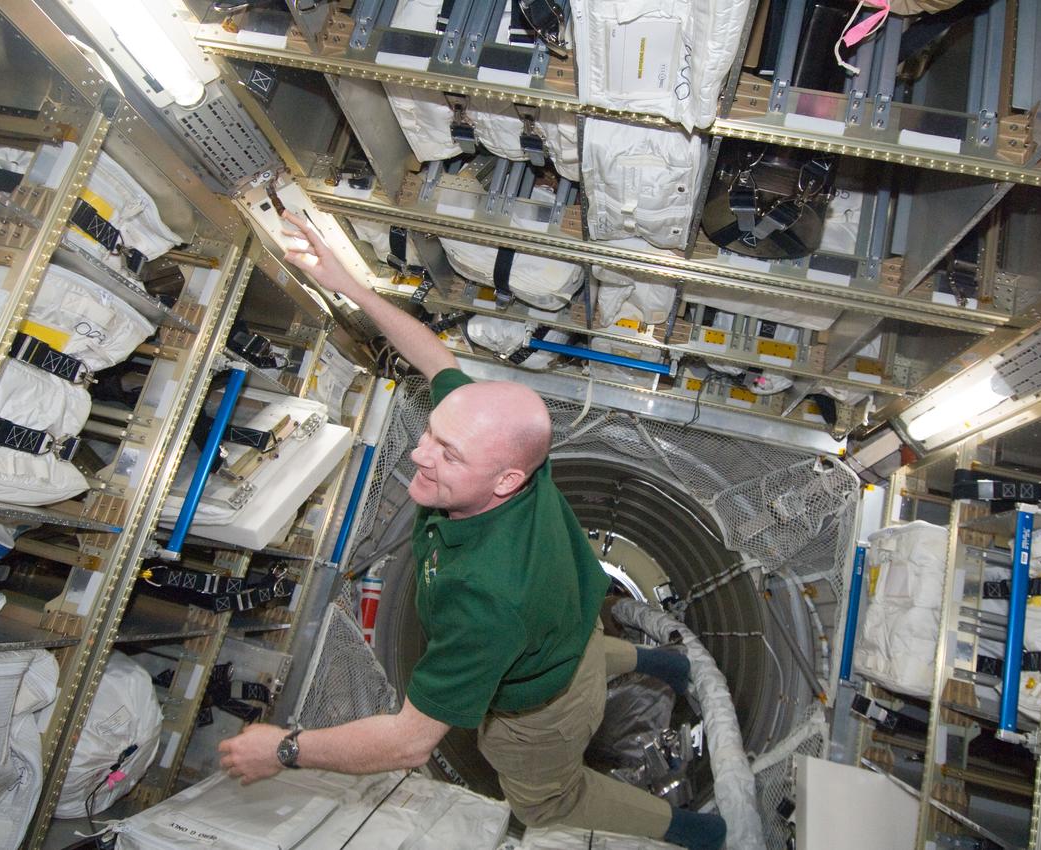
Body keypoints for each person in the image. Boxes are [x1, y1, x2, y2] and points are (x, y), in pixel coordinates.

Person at [218, 212, 727, 850]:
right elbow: (436, 359)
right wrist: (349, 284)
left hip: (542, 705)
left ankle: (703, 832)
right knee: (572, 653)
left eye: (448, 454)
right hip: (569, 633)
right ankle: (662, 663)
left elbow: (408, 743)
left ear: (506, 480)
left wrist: (284, 749)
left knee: (548, 801)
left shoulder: (487, 599)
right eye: (433, 434)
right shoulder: (506, 445)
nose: (418, 456)